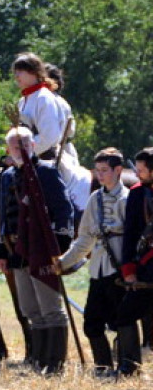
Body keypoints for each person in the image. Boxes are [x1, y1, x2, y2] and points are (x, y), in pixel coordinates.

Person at [0, 127, 74, 374]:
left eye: (26, 145)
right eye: (16, 147)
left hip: (42, 248)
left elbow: (63, 210)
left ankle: (55, 363)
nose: (22, 150)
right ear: (9, 150)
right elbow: (3, 216)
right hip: (17, 249)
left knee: (51, 308)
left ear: (33, 146)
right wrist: (1, 251)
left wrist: (59, 250)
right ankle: (39, 361)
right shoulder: (8, 176)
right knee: (30, 309)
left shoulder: (46, 172)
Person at [54, 148, 130, 378]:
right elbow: (85, 238)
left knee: (121, 324)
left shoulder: (128, 200)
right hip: (98, 271)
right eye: (97, 170)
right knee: (92, 324)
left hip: (120, 271)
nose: (100, 175)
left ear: (118, 170)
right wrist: (64, 262)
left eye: (105, 170)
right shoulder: (94, 199)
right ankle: (103, 368)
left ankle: (127, 367)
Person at [13, 53, 90, 221]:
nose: (16, 75)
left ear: (33, 72)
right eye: (15, 71)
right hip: (27, 158)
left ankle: (63, 225)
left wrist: (24, 154)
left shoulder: (44, 98)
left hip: (46, 158)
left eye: (20, 71)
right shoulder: (22, 101)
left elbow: (50, 137)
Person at [112, 147, 153, 378]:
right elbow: (130, 235)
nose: (137, 174)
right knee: (126, 314)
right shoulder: (137, 194)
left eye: (141, 170)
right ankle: (130, 366)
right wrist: (129, 270)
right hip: (147, 268)